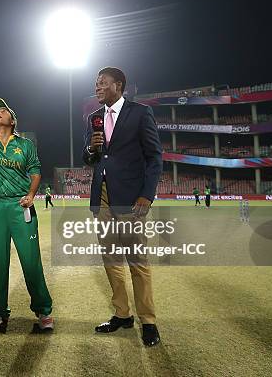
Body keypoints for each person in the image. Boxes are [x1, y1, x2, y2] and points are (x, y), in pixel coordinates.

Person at [82, 67, 163, 347]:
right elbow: (91, 158)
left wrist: (147, 195)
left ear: (119, 85)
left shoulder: (140, 113)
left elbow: (155, 157)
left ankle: (148, 321)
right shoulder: (94, 118)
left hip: (131, 197)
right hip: (102, 195)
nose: (97, 87)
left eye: (102, 83)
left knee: (137, 261)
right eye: (96, 83)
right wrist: (91, 150)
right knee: (111, 258)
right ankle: (122, 314)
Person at [0, 82, 53, 332]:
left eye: (3, 111)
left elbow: (35, 171)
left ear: (13, 121)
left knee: (30, 260)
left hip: (19, 206)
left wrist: (31, 194)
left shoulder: (25, 145)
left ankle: (43, 310)